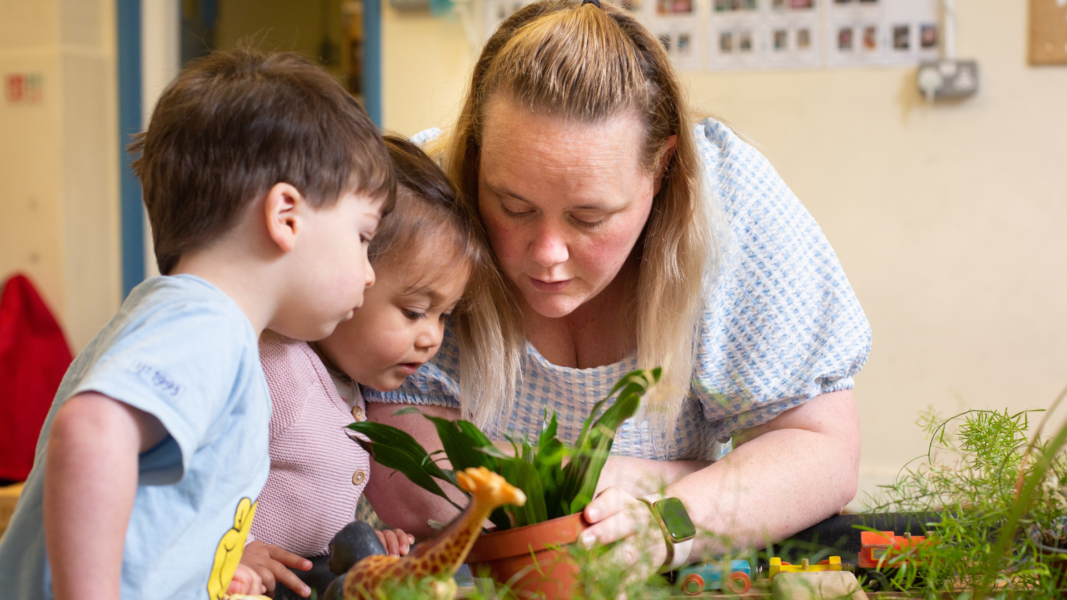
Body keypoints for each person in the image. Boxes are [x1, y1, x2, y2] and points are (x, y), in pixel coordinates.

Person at [362, 0, 871, 578]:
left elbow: (820, 451)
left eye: (590, 217)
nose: (548, 254)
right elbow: (413, 485)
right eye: (514, 206)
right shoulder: (424, 203)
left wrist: (665, 524)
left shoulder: (728, 202)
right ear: (477, 156)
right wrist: (680, 479)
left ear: (662, 168)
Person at [0, 49, 394, 600]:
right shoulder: (206, 325)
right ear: (286, 216)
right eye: (363, 237)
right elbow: (90, 432)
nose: (369, 274)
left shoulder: (187, 321)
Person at [239, 136, 488, 598]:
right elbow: (195, 476)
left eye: (444, 316)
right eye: (415, 311)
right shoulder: (276, 367)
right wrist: (237, 548)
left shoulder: (346, 386)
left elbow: (310, 507)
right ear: (349, 273)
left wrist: (368, 544)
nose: (433, 337)